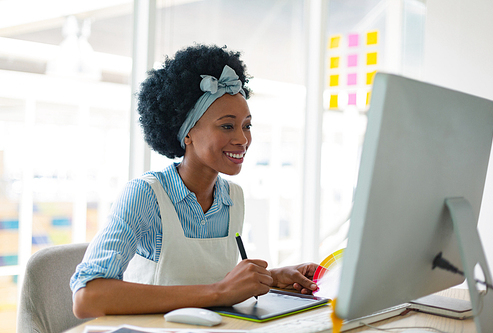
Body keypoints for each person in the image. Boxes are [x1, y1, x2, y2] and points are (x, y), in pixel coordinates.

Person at [70, 44, 318, 319]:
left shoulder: (232, 198)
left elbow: (205, 280)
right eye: (227, 125)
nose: (242, 139)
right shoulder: (145, 195)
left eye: (246, 125)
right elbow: (87, 297)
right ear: (187, 133)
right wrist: (220, 292)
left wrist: (269, 278)